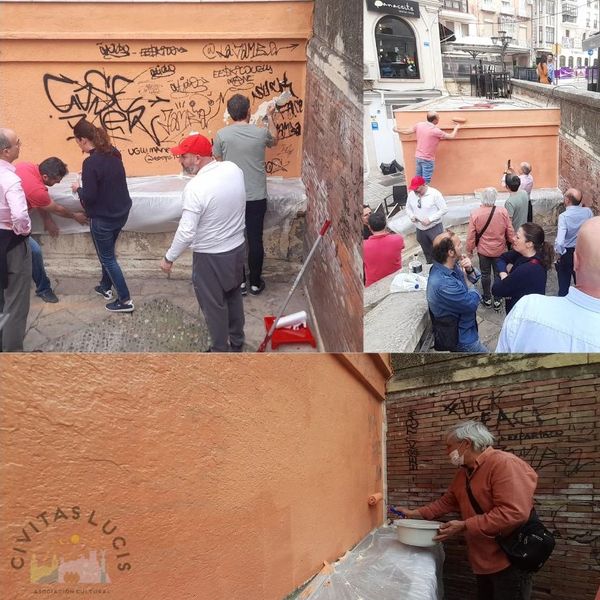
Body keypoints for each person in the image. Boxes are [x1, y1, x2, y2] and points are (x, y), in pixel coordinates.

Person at [396, 421, 538, 600]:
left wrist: (464, 525)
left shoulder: (504, 464)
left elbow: (513, 513)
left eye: (449, 446)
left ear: (466, 443)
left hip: (510, 558)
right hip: (483, 558)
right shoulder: (464, 472)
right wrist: (413, 513)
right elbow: (447, 502)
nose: (447, 452)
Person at [161, 133, 247, 353]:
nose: (180, 161)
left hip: (210, 256)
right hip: (236, 248)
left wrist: (169, 258)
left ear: (197, 158)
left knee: (214, 306)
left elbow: (187, 231)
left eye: (184, 157)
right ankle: (237, 341)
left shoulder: (195, 188)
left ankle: (220, 350)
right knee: (234, 296)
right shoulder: (233, 169)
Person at [496, 217, 600, 352]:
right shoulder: (532, 258)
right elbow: (503, 259)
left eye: (518, 236)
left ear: (576, 261)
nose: (514, 239)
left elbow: (498, 288)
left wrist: (504, 274)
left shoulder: (526, 309)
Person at [213, 93, 277, 296]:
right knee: (255, 239)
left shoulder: (222, 135)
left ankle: (240, 282)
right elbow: (274, 140)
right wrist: (271, 117)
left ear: (230, 114)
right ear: (249, 111)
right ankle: (256, 283)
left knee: (235, 238)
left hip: (232, 196)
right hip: (256, 195)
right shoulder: (259, 134)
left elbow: (217, 158)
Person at [71, 119, 133, 313]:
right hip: (121, 213)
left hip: (103, 218)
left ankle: (125, 300)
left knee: (107, 258)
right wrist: (89, 175)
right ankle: (105, 287)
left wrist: (78, 189)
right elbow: (108, 176)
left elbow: (90, 197)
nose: (77, 145)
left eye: (77, 141)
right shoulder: (113, 152)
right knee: (108, 255)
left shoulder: (90, 162)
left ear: (82, 140)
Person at [15, 157, 87, 303]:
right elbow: (57, 209)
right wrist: (75, 216)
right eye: (56, 180)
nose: (59, 183)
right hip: (9, 226)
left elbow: (38, 200)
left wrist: (46, 219)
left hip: (11, 222)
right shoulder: (36, 190)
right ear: (45, 176)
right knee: (34, 252)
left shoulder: (26, 166)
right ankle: (43, 289)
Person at [427, 229, 488, 353]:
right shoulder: (442, 283)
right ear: (450, 252)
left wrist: (469, 269)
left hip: (468, 327)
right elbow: (472, 303)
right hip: (463, 338)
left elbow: (476, 277)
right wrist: (468, 281)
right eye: (459, 244)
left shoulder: (451, 265)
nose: (462, 246)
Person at [0, 128, 32, 351]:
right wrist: (23, 231)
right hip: (10, 242)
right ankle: (12, 355)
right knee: (16, 302)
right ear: (5, 151)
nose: (20, 145)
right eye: (17, 143)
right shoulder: (10, 179)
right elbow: (20, 215)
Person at [466, 187, 515, 311]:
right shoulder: (503, 212)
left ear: (482, 198)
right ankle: (498, 299)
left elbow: (471, 235)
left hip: (483, 251)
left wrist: (470, 249)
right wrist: (514, 243)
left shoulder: (475, 213)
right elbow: (509, 230)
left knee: (485, 274)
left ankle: (487, 298)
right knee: (499, 274)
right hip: (499, 250)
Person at [491, 223, 553, 314]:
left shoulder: (528, 269)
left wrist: (503, 277)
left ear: (529, 244)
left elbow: (496, 290)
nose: (513, 238)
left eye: (518, 237)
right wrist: (503, 273)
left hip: (522, 315)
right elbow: (501, 258)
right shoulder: (525, 254)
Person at [394, 111, 460, 184]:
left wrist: (397, 130)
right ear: (435, 120)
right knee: (425, 182)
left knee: (418, 179)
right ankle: (423, 195)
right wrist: (456, 127)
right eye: (438, 118)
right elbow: (451, 136)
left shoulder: (419, 125)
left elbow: (407, 131)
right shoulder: (436, 131)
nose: (439, 119)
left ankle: (417, 194)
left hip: (418, 157)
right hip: (427, 159)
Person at [554, 188, 593, 296]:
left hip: (568, 253)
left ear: (567, 200)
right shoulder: (588, 212)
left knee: (563, 286)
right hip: (583, 250)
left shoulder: (564, 217)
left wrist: (560, 252)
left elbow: (560, 242)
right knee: (581, 284)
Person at [405, 176, 448, 264]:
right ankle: (430, 264)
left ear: (424, 185)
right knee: (426, 250)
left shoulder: (435, 194)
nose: (415, 191)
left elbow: (444, 209)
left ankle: (443, 265)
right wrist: (411, 216)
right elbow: (408, 208)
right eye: (414, 189)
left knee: (439, 249)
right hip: (420, 229)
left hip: (434, 228)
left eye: (417, 188)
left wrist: (430, 219)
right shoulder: (412, 194)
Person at [363, 212, 405, 286]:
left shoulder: (363, 246)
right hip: (395, 280)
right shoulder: (398, 239)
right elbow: (402, 246)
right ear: (385, 224)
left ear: (369, 227)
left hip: (373, 284)